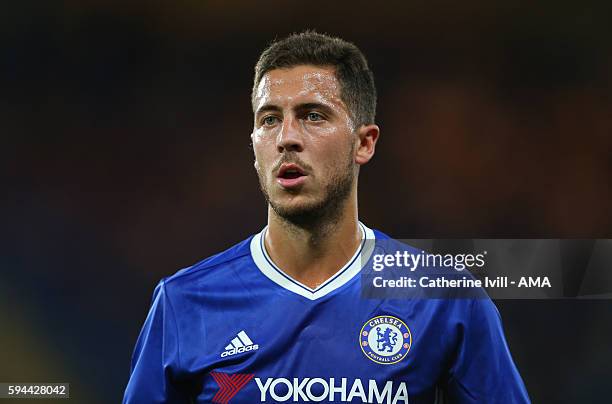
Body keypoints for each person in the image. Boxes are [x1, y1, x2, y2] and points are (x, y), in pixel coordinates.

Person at [122, 31, 530, 404]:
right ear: (253, 143)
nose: (287, 138)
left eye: (313, 115)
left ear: (364, 143)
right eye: (269, 119)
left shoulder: (445, 300)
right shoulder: (185, 301)